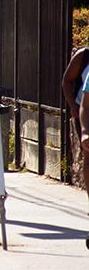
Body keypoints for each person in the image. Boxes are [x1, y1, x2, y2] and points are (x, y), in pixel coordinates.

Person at [61, 46, 89, 207]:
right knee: (88, 155)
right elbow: (66, 80)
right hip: (84, 113)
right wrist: (72, 105)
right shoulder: (83, 56)